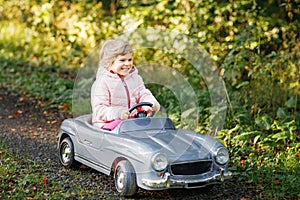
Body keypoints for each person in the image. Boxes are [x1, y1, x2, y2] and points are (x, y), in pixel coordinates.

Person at [91, 39, 160, 129]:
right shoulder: (102, 82)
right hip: (108, 124)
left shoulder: (135, 78)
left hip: (131, 121)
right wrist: (119, 113)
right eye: (122, 60)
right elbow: (100, 110)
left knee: (154, 125)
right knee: (122, 126)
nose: (127, 63)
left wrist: (151, 103)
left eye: (130, 59)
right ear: (109, 62)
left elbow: (143, 93)